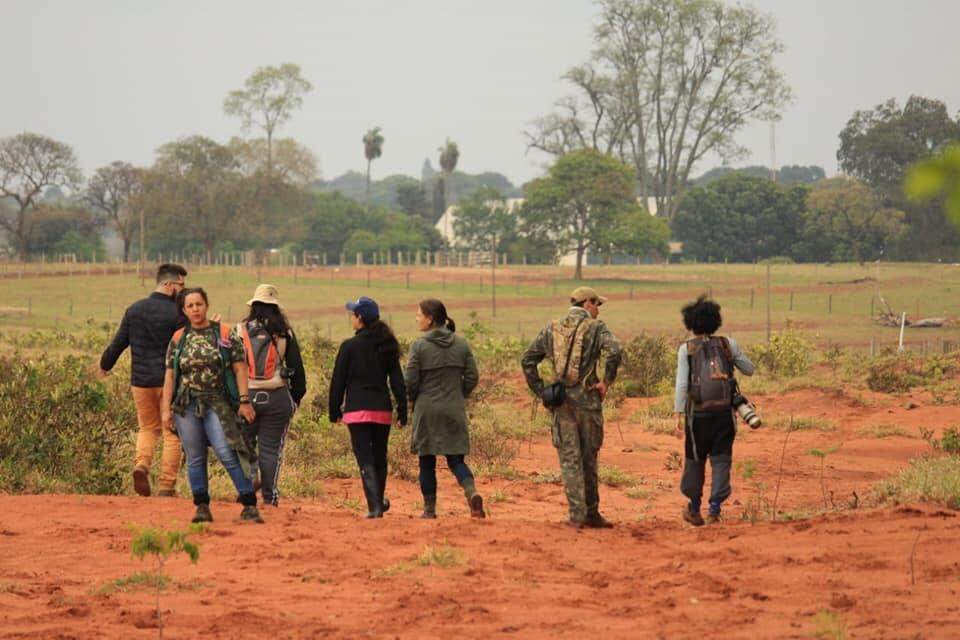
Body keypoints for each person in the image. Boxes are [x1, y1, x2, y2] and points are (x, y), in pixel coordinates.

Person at [521, 287, 622, 529]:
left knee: (569, 459)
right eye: (597, 304)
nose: (598, 309)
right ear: (587, 303)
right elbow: (615, 351)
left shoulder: (552, 327)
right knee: (589, 457)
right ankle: (591, 513)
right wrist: (606, 382)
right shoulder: (597, 329)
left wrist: (542, 391)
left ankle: (577, 515)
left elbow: (528, 360)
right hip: (588, 402)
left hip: (561, 402)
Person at [161, 287, 263, 524]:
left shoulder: (224, 334)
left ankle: (249, 503)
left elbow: (240, 368)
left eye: (199, 304)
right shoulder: (178, 338)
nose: (195, 309)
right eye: (190, 306)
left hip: (217, 403)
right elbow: (169, 376)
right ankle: (201, 506)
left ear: (206, 305)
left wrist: (245, 401)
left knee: (226, 452)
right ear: (184, 310)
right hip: (186, 405)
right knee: (195, 457)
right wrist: (165, 411)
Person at [99, 263, 187, 498]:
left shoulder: (134, 309)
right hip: (170, 383)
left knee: (147, 428)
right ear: (169, 285)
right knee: (171, 433)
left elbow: (118, 343)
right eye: (181, 285)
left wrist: (105, 364)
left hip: (140, 381)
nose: (183, 290)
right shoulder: (179, 314)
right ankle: (167, 486)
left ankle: (141, 465)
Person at [673, 295, 755, 526]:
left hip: (697, 417)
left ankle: (694, 508)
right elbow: (749, 369)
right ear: (715, 320)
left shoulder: (686, 349)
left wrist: (678, 413)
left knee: (695, 460)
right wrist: (735, 357)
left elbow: (681, 384)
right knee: (721, 461)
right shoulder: (728, 344)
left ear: (690, 323)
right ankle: (715, 510)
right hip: (724, 416)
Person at [404, 299, 484, 519]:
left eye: (419, 314)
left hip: (426, 409)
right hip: (453, 408)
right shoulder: (461, 344)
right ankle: (472, 493)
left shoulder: (419, 346)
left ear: (430, 319)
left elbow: (410, 381)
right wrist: (459, 395)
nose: (416, 318)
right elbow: (472, 376)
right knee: (456, 460)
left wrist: (414, 399)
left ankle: (429, 511)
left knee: (426, 460)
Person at [329, 296, 406, 519]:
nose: (351, 318)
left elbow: (338, 381)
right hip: (382, 410)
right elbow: (397, 381)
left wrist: (334, 410)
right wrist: (402, 411)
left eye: (353, 314)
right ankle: (378, 502)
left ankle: (374, 507)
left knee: (364, 457)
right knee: (379, 456)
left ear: (360, 318)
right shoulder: (387, 345)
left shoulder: (349, 346)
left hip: (356, 411)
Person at [237, 284, 307, 507]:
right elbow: (298, 371)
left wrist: (237, 399)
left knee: (243, 447)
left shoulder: (240, 330)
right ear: (276, 307)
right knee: (270, 451)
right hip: (277, 397)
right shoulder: (285, 333)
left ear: (254, 305)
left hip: (246, 397)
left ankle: (248, 487)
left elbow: (232, 367)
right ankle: (269, 498)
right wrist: (293, 401)